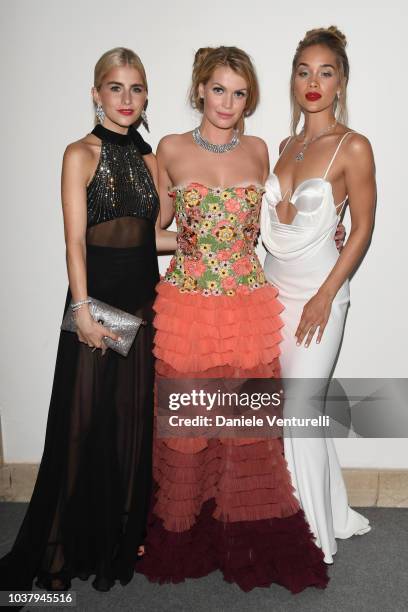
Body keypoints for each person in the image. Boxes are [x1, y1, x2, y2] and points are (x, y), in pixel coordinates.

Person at [136, 46, 329, 593]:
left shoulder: (259, 149)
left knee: (247, 431)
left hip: (247, 305)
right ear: (200, 90)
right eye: (218, 89)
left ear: (250, 99)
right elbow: (154, 232)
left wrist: (325, 230)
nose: (228, 102)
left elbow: (275, 221)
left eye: (239, 93)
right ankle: (188, 533)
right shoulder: (169, 149)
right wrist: (196, 244)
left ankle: (244, 534)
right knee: (191, 427)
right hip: (189, 307)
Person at [0, 47, 169, 592]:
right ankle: (53, 554)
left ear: (146, 98)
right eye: (115, 88)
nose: (126, 98)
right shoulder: (80, 153)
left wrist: (214, 238)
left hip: (144, 309)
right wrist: (83, 311)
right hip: (98, 309)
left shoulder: (151, 160)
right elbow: (74, 239)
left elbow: (155, 233)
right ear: (96, 93)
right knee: (78, 430)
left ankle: (114, 543)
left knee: (128, 431)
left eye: (136, 88)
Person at [260, 27, 376, 564]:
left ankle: (309, 540)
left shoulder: (353, 147)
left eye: (325, 71)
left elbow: (362, 230)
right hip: (271, 294)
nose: (313, 81)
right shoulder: (285, 146)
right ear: (293, 80)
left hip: (320, 295)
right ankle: (330, 509)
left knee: (300, 411)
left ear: (341, 81)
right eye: (304, 71)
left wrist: (327, 295)